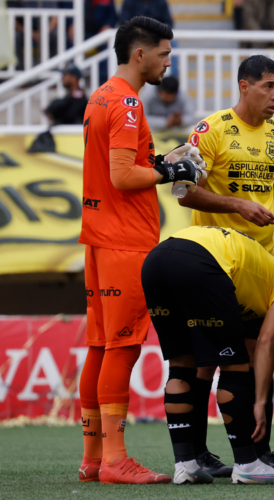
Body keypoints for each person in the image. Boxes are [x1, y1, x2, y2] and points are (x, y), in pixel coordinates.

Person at [78, 16, 205, 485]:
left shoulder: (102, 95)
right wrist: (175, 174)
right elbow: (122, 177)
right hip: (124, 241)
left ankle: (94, 459)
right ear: (140, 54)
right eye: (165, 54)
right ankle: (114, 459)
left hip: (98, 236)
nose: (167, 62)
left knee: (99, 346)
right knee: (123, 347)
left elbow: (126, 164)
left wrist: (166, 159)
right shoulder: (129, 102)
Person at [177, 55, 274, 478]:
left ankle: (256, 452)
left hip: (258, 267)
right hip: (212, 262)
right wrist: (237, 205)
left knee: (249, 357)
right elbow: (183, 191)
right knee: (204, 362)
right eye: (268, 86)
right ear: (244, 86)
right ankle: (196, 453)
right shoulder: (209, 131)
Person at [141, 225, 274, 485]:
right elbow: (267, 340)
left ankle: (186, 465)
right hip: (201, 261)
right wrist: (259, 401)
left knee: (181, 367)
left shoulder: (256, 285)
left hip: (156, 260)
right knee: (234, 365)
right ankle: (247, 465)